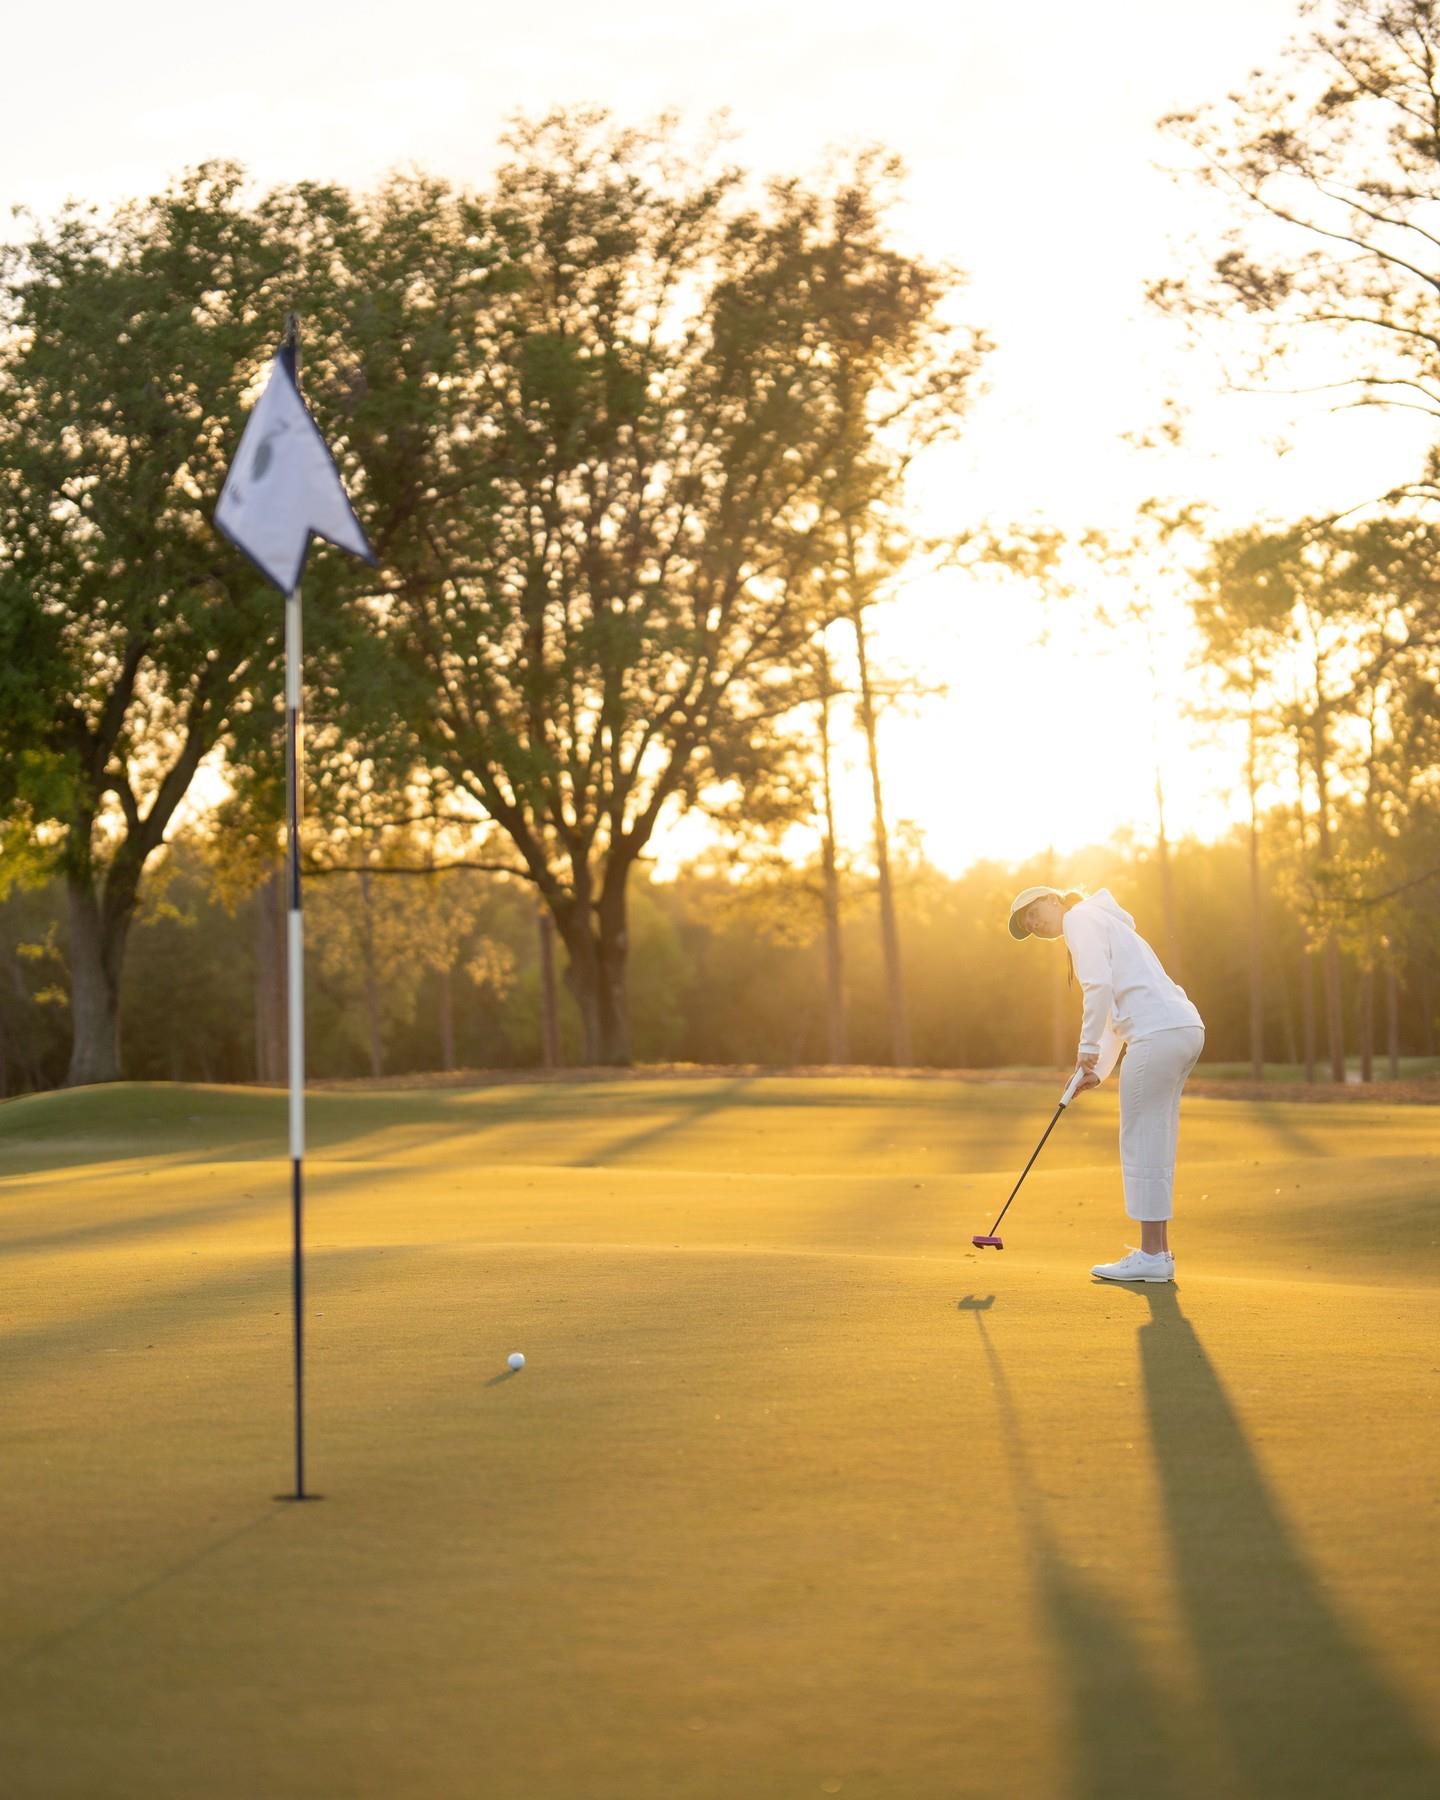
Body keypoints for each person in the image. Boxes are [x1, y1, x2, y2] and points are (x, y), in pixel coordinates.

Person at [1006, 884, 1205, 1283]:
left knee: (1141, 1139)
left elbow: (1097, 988)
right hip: (1182, 1030)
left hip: (1157, 1034)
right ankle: (1158, 1253)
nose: (1034, 925)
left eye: (1032, 913)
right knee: (1156, 1138)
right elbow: (1115, 1008)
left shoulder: (1079, 918)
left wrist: (1085, 1048)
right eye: (1027, 925)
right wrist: (1099, 1070)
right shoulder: (1102, 922)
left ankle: (1151, 1255)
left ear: (1052, 899)